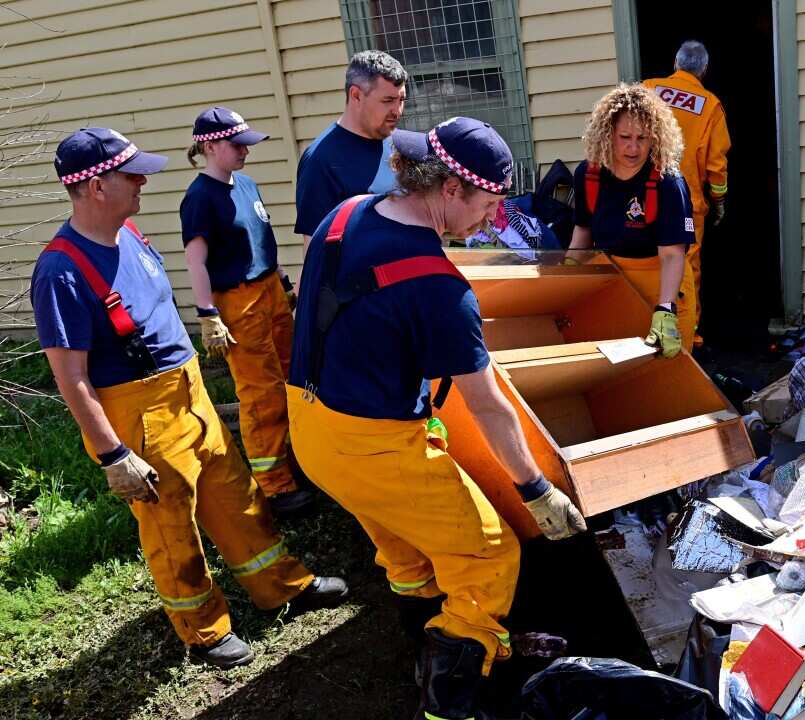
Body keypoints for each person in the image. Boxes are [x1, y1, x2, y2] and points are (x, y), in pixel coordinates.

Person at [287, 117, 586, 720]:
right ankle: (449, 701)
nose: (493, 219)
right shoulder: (440, 288)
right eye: (488, 203)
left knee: (409, 552)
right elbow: (488, 404)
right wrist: (535, 489)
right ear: (450, 188)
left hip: (310, 424)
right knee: (490, 554)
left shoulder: (344, 215)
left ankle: (422, 649)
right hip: (372, 444)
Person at [30, 128, 348, 670]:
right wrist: (112, 454)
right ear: (93, 187)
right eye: (132, 175)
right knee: (171, 526)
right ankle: (202, 629)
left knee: (236, 494)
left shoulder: (128, 233)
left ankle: (281, 584)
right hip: (140, 413)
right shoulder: (61, 272)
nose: (143, 183)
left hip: (190, 392)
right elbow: (70, 377)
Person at [180, 107, 312, 518]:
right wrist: (208, 313)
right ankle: (275, 485)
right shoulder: (200, 198)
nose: (245, 152)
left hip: (270, 290)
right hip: (237, 300)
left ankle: (301, 461)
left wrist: (285, 285)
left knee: (295, 378)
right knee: (261, 393)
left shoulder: (248, 185)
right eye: (237, 145)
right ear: (209, 146)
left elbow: (261, 240)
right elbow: (196, 261)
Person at [569, 84, 698, 357]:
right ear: (607, 135)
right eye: (624, 136)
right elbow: (582, 233)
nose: (633, 147)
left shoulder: (668, 182)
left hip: (664, 285)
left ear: (656, 138)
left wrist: (665, 310)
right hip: (616, 287)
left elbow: (672, 255)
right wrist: (565, 282)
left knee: (670, 374)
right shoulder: (588, 175)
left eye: (642, 138)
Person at [643, 40, 731, 344]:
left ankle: (644, 324)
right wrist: (718, 201)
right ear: (704, 69)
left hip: (642, 198)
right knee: (685, 270)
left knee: (645, 262)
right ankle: (684, 336)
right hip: (687, 205)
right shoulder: (710, 105)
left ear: (676, 63)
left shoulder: (648, 88)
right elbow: (716, 166)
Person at [294, 49, 406, 249]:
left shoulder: (400, 142)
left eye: (401, 100)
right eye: (388, 101)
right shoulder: (321, 160)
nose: (397, 111)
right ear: (356, 96)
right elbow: (316, 248)